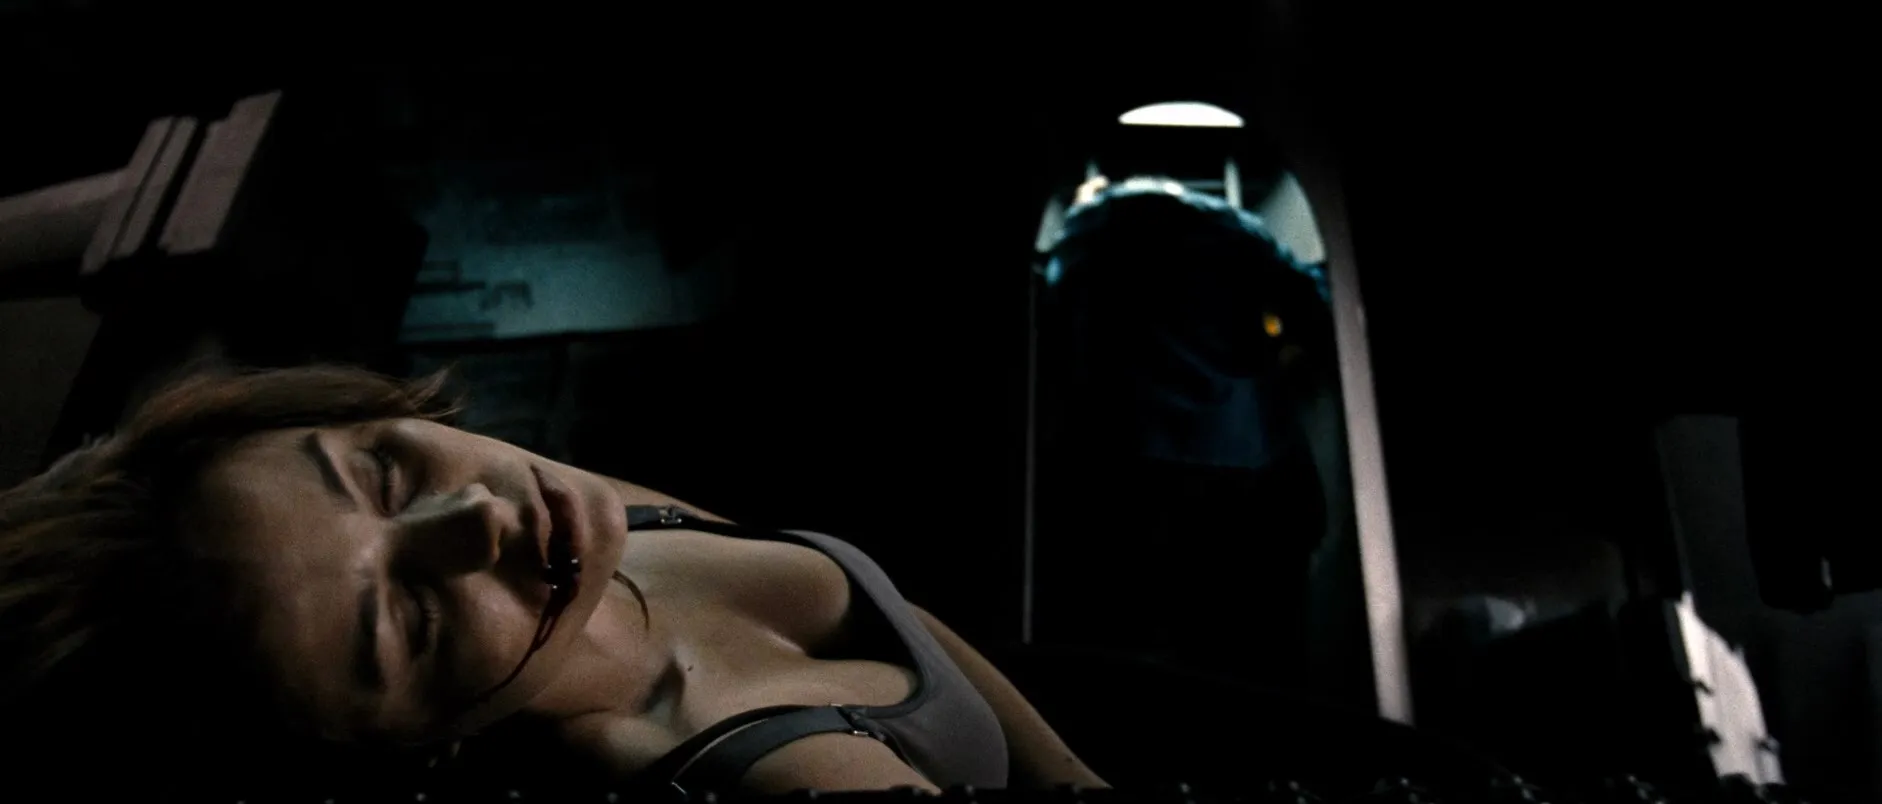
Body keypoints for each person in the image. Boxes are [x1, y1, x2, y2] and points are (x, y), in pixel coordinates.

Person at [0, 364, 1105, 799]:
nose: (477, 521)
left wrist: (1079, 777)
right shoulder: (753, 781)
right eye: (406, 620)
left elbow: (903, 613)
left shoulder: (587, 526)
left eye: (380, 473)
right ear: (404, 744)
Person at [1032, 175, 1338, 689]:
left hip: (1119, 467)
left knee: (1126, 644)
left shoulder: (1085, 230)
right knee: (1247, 646)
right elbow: (1317, 307)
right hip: (1242, 464)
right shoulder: (1232, 225)